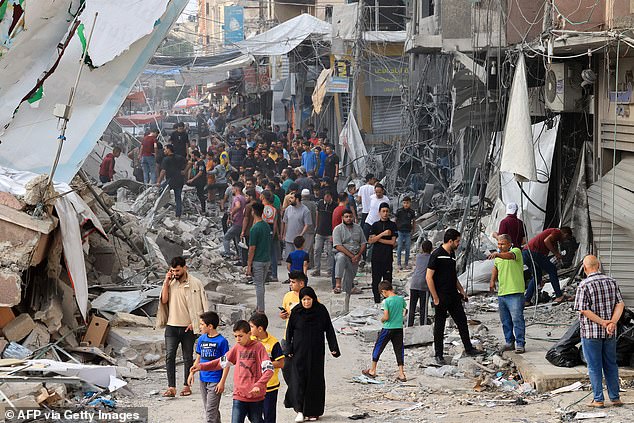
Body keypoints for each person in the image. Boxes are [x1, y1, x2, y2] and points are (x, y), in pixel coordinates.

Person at [190, 320, 274, 423]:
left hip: (255, 397)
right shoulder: (237, 348)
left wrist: (259, 384)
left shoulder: (259, 348)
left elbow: (269, 370)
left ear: (249, 334)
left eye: (241, 336)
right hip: (239, 396)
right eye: (235, 336)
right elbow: (221, 362)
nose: (238, 339)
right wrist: (202, 366)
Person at [574, 255, 625, 408]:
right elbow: (620, 304)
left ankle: (598, 399)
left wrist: (603, 322)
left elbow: (583, 309)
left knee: (594, 366)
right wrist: (612, 323)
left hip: (591, 333)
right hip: (609, 332)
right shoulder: (611, 281)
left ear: (585, 268)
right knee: (611, 364)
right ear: (599, 266)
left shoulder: (584, 285)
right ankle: (615, 398)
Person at [426, 229, 484, 365]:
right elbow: (429, 277)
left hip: (453, 295)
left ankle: (469, 348)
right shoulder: (437, 255)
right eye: (457, 241)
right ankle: (439, 355)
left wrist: (462, 291)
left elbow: (453, 276)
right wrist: (435, 297)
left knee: (462, 322)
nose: (459, 244)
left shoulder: (452, 254)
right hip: (441, 296)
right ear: (450, 241)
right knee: (439, 326)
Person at [284, 287, 340, 422]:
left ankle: (313, 411)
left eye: (309, 299)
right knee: (299, 380)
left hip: (316, 353)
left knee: (315, 380)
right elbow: (289, 332)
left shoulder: (321, 311)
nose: (306, 302)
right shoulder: (296, 312)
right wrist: (288, 349)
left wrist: (334, 348)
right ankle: (300, 410)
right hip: (299, 352)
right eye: (304, 299)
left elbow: (329, 330)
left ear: (313, 299)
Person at [156, 256, 209, 398]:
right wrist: (166, 282)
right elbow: (164, 300)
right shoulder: (170, 282)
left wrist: (196, 323)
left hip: (188, 328)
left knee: (187, 357)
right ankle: (171, 387)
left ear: (185, 268)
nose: (175, 273)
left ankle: (186, 385)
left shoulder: (195, 283)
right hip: (172, 326)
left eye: (178, 270)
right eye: (173, 270)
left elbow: (203, 305)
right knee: (169, 356)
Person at [362, 281, 407, 382]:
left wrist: (382, 319)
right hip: (399, 328)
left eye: (382, 294)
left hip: (388, 328)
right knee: (399, 350)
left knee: (378, 347)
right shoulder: (400, 299)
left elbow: (386, 316)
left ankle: (372, 370)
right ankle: (401, 373)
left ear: (384, 291)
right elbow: (405, 310)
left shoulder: (386, 302)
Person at [488, 234, 526, 354]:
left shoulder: (516, 251)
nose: (500, 246)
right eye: (499, 244)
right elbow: (495, 268)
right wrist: (492, 281)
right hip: (502, 292)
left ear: (509, 244)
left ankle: (520, 343)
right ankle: (509, 342)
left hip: (515, 291)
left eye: (502, 244)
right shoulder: (499, 256)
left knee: (517, 319)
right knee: (505, 320)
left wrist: (497, 254)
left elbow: (510, 256)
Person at [192, 311, 230, 423]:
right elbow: (198, 359)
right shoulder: (201, 339)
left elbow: (226, 363)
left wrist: (222, 382)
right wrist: (191, 374)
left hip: (215, 380)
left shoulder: (222, 341)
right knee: (211, 410)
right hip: (203, 379)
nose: (200, 327)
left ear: (210, 326)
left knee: (210, 413)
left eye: (202, 324)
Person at [249, 313, 285, 423]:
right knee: (252, 414)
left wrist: (265, 364)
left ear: (260, 329)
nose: (249, 330)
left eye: (251, 327)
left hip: (270, 386)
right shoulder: (250, 340)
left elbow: (281, 363)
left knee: (269, 415)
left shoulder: (273, 343)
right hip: (253, 385)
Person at [523, 227, 573, 305]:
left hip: (526, 252)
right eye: (566, 238)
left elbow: (551, 245)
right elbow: (546, 241)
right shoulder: (557, 232)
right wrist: (556, 253)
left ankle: (526, 300)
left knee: (537, 276)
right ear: (565, 234)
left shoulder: (555, 238)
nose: (564, 240)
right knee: (552, 270)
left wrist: (557, 254)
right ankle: (559, 295)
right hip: (534, 252)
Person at [333, 209, 367, 312]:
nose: (348, 219)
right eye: (346, 217)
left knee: (348, 283)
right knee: (341, 258)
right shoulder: (338, 229)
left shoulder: (358, 228)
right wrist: (352, 255)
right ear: (342, 218)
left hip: (355, 257)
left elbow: (363, 243)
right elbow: (338, 246)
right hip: (344, 254)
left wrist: (358, 255)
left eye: (350, 217)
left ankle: (345, 309)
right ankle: (338, 284)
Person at [369, 203, 398, 304]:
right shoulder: (375, 225)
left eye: (387, 211)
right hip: (376, 258)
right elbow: (370, 240)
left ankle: (388, 302)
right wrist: (383, 234)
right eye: (383, 211)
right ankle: (377, 301)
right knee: (376, 281)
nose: (385, 213)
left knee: (387, 281)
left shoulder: (393, 225)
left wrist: (378, 239)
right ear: (379, 212)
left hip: (387, 258)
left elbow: (393, 242)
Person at [247, 202, 272, 313]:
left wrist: (249, 265)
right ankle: (259, 306)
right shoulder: (266, 226)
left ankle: (260, 309)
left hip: (258, 260)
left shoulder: (254, 229)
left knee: (258, 286)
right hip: (266, 259)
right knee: (261, 285)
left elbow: (252, 248)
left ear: (253, 212)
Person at [157, 144, 187, 219]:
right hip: (180, 180)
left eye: (165, 149)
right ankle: (178, 215)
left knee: (161, 191)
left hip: (171, 180)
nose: (164, 151)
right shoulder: (179, 157)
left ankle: (164, 205)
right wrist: (184, 171)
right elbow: (189, 162)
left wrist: (158, 182)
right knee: (178, 198)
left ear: (168, 149)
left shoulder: (166, 159)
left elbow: (163, 171)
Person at [408, 240, 432, 327]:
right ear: (431, 248)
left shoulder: (418, 256)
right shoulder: (432, 258)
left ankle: (409, 325)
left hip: (414, 284)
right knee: (423, 309)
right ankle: (423, 327)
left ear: (422, 248)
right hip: (424, 285)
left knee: (412, 308)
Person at [312, 191, 336, 277]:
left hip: (329, 232)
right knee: (317, 250)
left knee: (330, 252)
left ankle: (330, 270)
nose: (327, 198)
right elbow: (317, 215)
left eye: (329, 196)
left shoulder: (334, 205)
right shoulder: (320, 204)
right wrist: (316, 226)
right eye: (326, 196)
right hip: (320, 231)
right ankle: (316, 269)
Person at [281, 192, 312, 259]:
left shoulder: (305, 210)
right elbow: (285, 222)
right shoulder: (288, 209)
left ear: (297, 199)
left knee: (298, 260)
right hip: (288, 239)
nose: (290, 200)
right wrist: (283, 235)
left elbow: (307, 224)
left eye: (292, 198)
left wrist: (301, 234)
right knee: (289, 260)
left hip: (299, 241)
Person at [222, 182, 246, 258]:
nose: (232, 190)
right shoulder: (243, 197)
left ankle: (227, 253)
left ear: (236, 189)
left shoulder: (237, 198)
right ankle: (241, 257)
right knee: (238, 241)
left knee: (226, 237)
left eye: (232, 188)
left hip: (237, 222)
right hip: (242, 222)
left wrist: (232, 213)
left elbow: (238, 206)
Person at [261, 190, 280, 283]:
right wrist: (274, 233)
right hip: (272, 231)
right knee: (273, 254)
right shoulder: (274, 209)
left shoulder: (262, 208)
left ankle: (266, 273)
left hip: (264, 230)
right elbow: (275, 224)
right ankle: (274, 274)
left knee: (265, 253)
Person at [395, 196, 416, 270]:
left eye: (407, 203)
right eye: (404, 203)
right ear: (402, 203)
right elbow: (396, 220)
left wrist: (413, 230)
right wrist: (395, 229)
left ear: (410, 203)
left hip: (408, 232)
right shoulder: (399, 211)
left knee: (407, 248)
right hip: (400, 231)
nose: (406, 204)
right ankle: (399, 263)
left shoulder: (412, 212)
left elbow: (413, 221)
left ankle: (406, 263)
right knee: (399, 247)